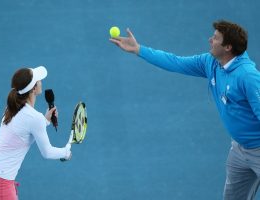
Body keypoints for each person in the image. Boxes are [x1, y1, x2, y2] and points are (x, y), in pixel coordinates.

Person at [110, 20, 260, 200]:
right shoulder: (211, 62)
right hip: (238, 150)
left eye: (215, 38)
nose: (209, 40)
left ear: (228, 47)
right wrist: (139, 49)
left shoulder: (248, 77)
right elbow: (176, 62)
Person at [0, 66, 72, 200]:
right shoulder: (34, 118)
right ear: (34, 88)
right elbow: (47, 152)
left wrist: (45, 120)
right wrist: (66, 152)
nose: (41, 81)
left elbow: (22, 128)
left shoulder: (11, 108)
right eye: (38, 80)